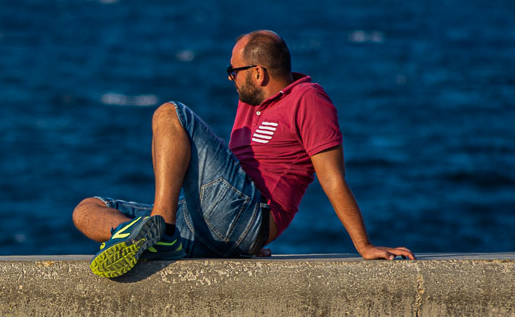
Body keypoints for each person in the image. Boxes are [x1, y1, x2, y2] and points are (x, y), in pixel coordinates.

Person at [73, 30, 415, 278]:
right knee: (86, 209)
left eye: (233, 72)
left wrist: (364, 244)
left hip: (250, 213)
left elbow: (332, 177)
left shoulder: (308, 100)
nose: (231, 80)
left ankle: (160, 232)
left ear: (258, 73)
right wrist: (241, 243)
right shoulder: (249, 103)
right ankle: (139, 235)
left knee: (169, 112)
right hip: (216, 224)